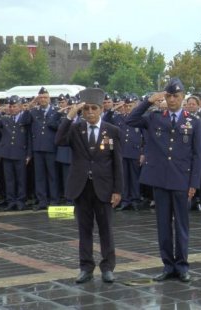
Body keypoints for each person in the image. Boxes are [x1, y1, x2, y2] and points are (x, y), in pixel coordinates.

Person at [126, 78, 201, 283]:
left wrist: (194, 183)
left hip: (181, 179)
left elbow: (197, 155)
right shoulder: (154, 117)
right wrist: (149, 101)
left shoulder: (193, 121)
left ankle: (182, 266)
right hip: (159, 178)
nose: (172, 100)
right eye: (168, 96)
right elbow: (130, 119)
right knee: (163, 225)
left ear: (183, 97)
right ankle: (168, 265)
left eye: (176, 96)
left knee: (182, 225)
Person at [55, 88, 123, 284]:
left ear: (101, 109)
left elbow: (117, 162)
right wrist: (70, 115)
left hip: (104, 187)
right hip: (81, 186)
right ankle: (86, 267)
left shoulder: (112, 131)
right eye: (86, 109)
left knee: (106, 230)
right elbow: (58, 141)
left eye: (94, 108)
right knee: (84, 230)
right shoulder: (76, 129)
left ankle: (108, 267)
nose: (90, 112)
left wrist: (118, 190)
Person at [0, 96, 32, 211]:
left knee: (21, 180)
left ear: (20, 107)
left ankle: (21, 201)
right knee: (9, 180)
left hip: (20, 153)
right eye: (11, 106)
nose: (12, 108)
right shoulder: (4, 118)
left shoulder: (24, 119)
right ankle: (11, 201)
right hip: (7, 153)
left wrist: (29, 154)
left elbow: (29, 138)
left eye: (15, 106)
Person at [28, 87, 60, 210]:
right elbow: (25, 121)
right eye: (41, 97)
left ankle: (54, 200)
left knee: (52, 175)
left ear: (49, 98)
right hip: (38, 148)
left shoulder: (56, 111)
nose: (43, 99)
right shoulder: (34, 112)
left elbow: (59, 127)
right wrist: (31, 104)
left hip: (51, 147)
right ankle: (42, 201)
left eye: (45, 97)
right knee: (39, 176)